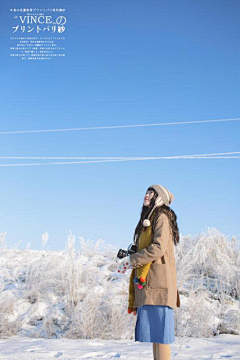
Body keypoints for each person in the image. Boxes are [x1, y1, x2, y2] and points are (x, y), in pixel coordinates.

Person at [119, 184, 180, 360]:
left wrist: (134, 259)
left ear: (159, 198)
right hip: (152, 282)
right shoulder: (150, 218)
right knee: (156, 335)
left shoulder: (161, 217)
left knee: (161, 335)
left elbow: (158, 248)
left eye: (151, 193)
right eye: (146, 191)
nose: (147, 195)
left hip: (159, 282)